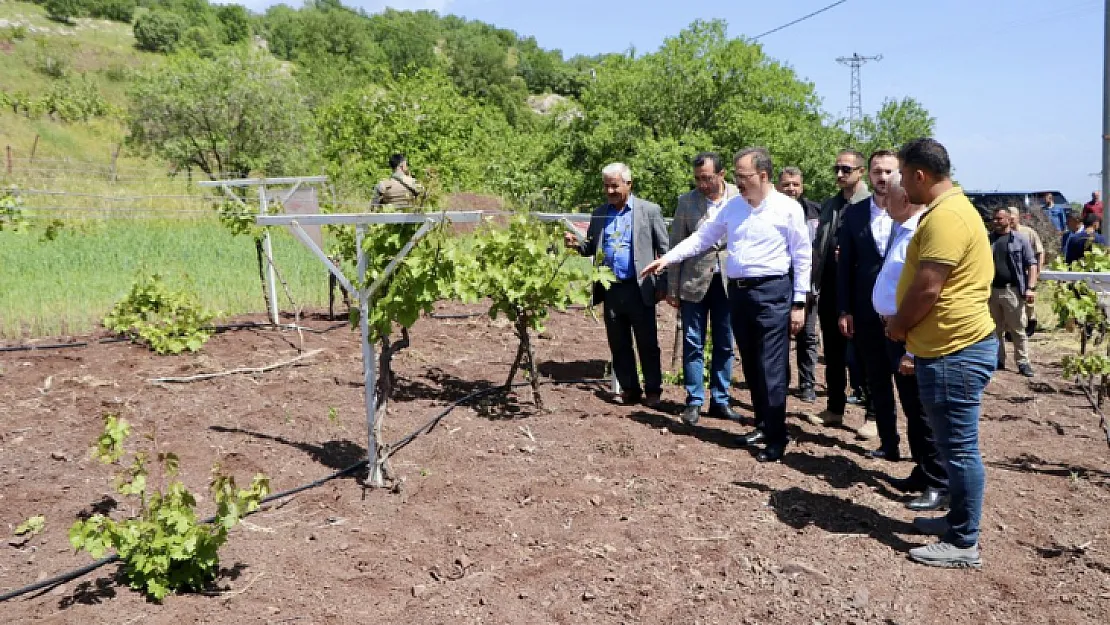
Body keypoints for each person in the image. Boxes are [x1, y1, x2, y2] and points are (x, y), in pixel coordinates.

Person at [642, 147, 811, 463]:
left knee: (771, 367)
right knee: (750, 363)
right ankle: (762, 424)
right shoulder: (734, 208)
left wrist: (799, 301)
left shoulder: (787, 209)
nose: (738, 181)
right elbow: (702, 239)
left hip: (773, 293)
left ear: (762, 176)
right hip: (740, 294)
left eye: (742, 176)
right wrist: (666, 259)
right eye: (736, 176)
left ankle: (777, 437)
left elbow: (802, 256)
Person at [886, 138, 996, 569]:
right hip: (948, 347)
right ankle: (957, 522)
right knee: (954, 447)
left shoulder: (946, 217)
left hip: (956, 351)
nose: (899, 184)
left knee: (960, 449)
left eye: (902, 175)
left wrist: (899, 325)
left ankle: (964, 542)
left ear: (919, 175)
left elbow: (928, 287)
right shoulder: (950, 211)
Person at [872, 171, 948, 512]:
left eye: (889, 197)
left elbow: (927, 293)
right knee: (912, 410)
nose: (883, 201)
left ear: (904, 200)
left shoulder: (919, 231)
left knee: (923, 410)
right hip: (893, 330)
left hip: (911, 334)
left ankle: (939, 482)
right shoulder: (901, 230)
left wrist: (912, 349)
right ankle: (923, 469)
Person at [565, 163, 669, 407]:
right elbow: (591, 247)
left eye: (615, 185)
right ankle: (630, 389)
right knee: (619, 343)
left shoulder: (649, 211)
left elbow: (664, 250)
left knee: (647, 343)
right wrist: (575, 244)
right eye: (607, 186)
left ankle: (653, 390)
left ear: (628, 184)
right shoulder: (600, 213)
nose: (610, 190)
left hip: (639, 287)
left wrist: (663, 283)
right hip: (611, 288)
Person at [834, 149, 902, 458]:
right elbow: (845, 264)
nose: (883, 177)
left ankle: (925, 457)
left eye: (889, 171)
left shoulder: (914, 212)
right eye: (878, 171)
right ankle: (888, 444)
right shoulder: (856, 213)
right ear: (868, 174)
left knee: (910, 386)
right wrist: (844, 309)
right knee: (876, 378)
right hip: (864, 310)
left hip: (903, 312)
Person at [667, 152, 741, 425]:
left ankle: (721, 400)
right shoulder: (686, 202)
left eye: (707, 178)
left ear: (721, 175)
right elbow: (676, 245)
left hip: (729, 283)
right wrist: (672, 289)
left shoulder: (740, 197)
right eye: (698, 179)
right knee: (692, 343)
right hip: (694, 283)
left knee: (725, 343)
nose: (702, 184)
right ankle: (694, 400)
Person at [807, 150, 871, 428]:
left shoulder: (872, 204)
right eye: (837, 169)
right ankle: (834, 408)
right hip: (830, 288)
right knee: (832, 353)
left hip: (860, 292)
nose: (840, 174)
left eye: (846, 169)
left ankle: (873, 415)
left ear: (861, 171)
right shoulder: (830, 205)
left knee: (863, 356)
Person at [777, 166, 821, 403]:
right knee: (780, 336)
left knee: (807, 336)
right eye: (786, 185)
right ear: (777, 187)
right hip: (780, 284)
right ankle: (782, 382)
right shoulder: (771, 211)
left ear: (802, 186)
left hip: (808, 286)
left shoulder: (815, 212)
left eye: (795, 184)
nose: (791, 189)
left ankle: (807, 384)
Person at [989, 207, 1038, 377]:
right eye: (994, 218)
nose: (995, 221)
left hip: (1013, 291)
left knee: (1017, 329)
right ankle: (998, 359)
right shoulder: (988, 240)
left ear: (1009, 220)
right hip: (992, 291)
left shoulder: (1020, 240)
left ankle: (1023, 362)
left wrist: (1030, 287)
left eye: (999, 219)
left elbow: (1032, 264)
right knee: (995, 330)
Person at [1007, 207, 1043, 336]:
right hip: (1012, 274)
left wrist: (1038, 270)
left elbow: (1039, 251)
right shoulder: (1005, 234)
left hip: (1027, 272)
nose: (1010, 221)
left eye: (1012, 219)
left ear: (1018, 218)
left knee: (1029, 300)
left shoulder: (1028, 233)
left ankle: (1031, 321)